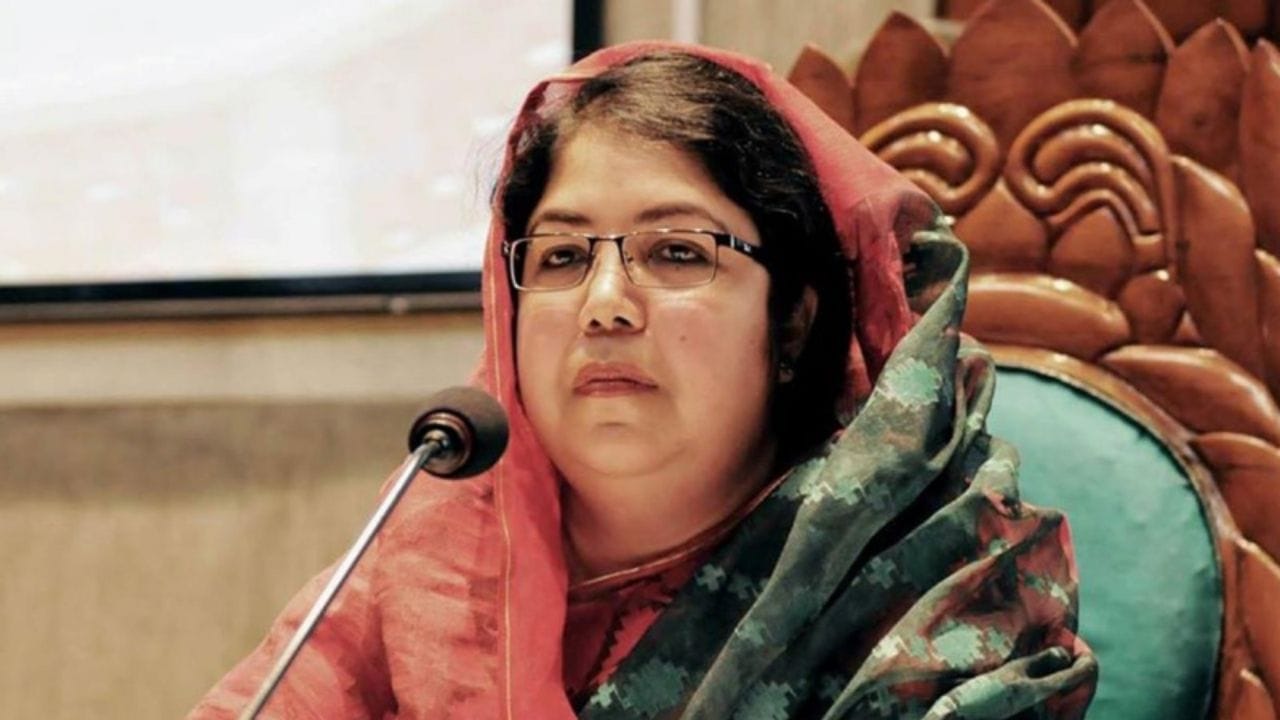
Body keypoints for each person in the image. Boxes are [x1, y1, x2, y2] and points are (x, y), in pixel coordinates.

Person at [190, 42, 1097, 719]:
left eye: (677, 252)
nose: (605, 305)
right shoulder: (432, 564)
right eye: (561, 256)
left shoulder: (937, 591)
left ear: (792, 319)